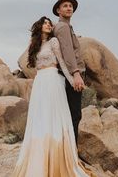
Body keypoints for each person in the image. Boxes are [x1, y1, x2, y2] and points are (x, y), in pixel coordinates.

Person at [12, 16, 96, 177]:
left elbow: (63, 64)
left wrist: (73, 80)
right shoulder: (34, 45)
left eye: (50, 23)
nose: (48, 25)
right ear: (39, 26)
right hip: (40, 82)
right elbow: (34, 65)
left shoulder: (53, 42)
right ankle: (40, 155)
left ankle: (57, 154)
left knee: (54, 117)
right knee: (40, 118)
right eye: (45, 23)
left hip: (53, 80)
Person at [53, 0, 86, 145]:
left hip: (68, 75)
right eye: (65, 6)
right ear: (58, 10)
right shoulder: (63, 27)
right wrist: (76, 74)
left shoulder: (66, 27)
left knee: (70, 113)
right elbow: (67, 51)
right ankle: (71, 152)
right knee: (74, 114)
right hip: (70, 76)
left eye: (70, 6)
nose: (69, 8)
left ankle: (67, 150)